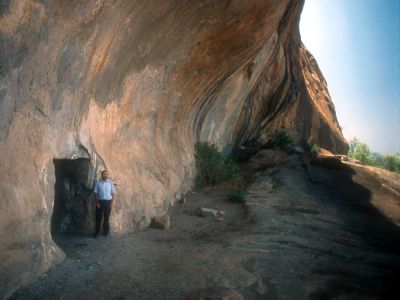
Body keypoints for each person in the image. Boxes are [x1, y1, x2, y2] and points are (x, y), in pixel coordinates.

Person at [93, 170, 115, 238]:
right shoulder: (98, 183)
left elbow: (113, 193)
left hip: (108, 202)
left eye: (106, 174)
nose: (105, 175)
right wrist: (97, 203)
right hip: (100, 202)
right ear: (101, 175)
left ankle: (105, 232)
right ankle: (96, 233)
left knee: (106, 218)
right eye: (103, 174)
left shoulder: (110, 183)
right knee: (98, 218)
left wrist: (111, 203)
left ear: (108, 175)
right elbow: (95, 193)